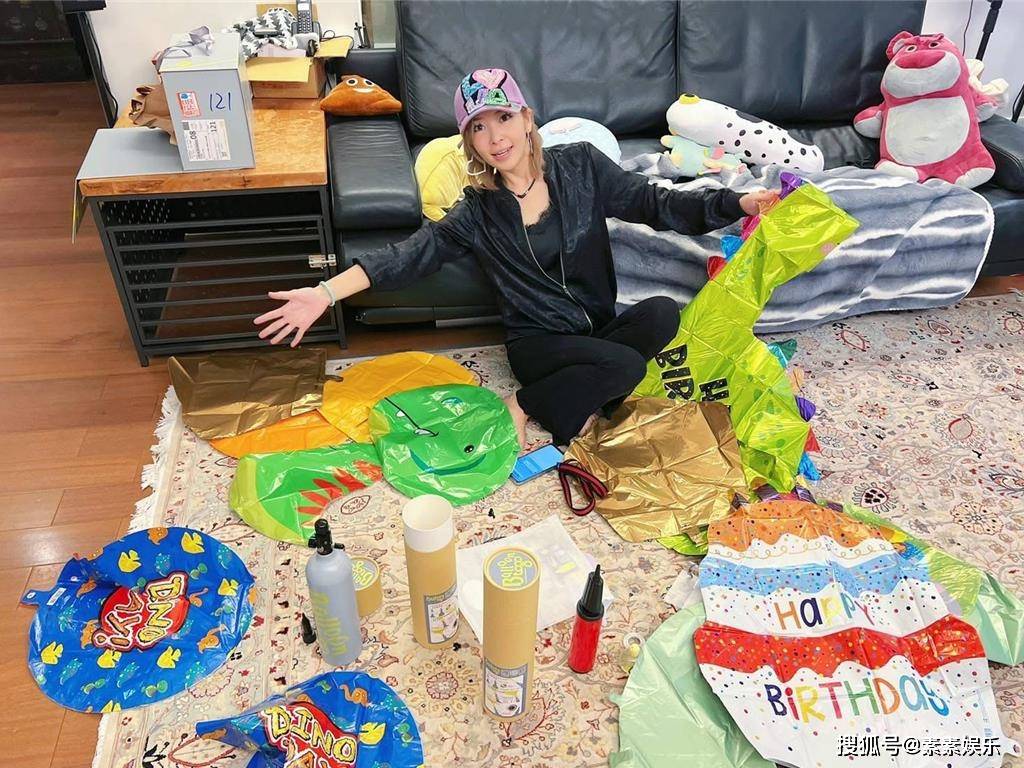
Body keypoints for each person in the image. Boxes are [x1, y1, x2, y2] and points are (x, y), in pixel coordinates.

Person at [255, 68, 775, 448]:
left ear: (527, 119)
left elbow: (657, 203)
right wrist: (324, 292)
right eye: (478, 127)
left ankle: (583, 391)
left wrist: (737, 203)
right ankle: (526, 401)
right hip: (538, 344)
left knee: (662, 313)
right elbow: (406, 256)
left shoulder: (581, 166)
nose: (495, 137)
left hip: (595, 326)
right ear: (469, 143)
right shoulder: (477, 210)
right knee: (626, 365)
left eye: (503, 117)